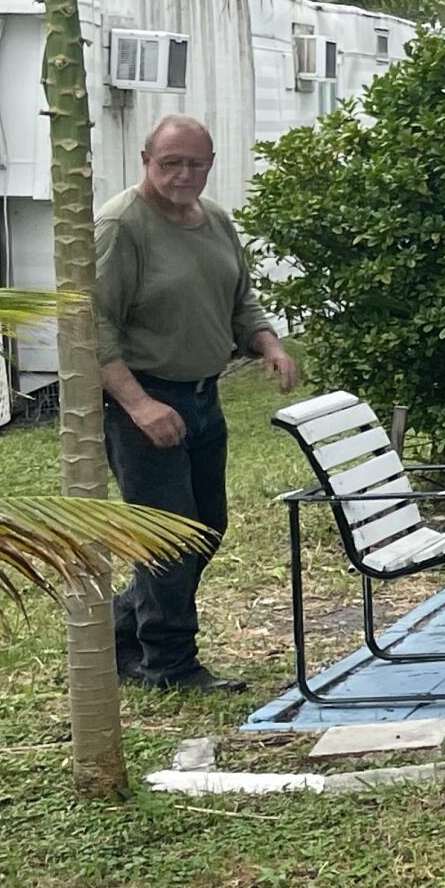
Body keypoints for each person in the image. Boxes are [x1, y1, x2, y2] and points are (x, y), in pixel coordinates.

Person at [95, 115, 299, 691]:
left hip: (204, 399)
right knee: (170, 536)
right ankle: (171, 665)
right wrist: (138, 406)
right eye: (171, 163)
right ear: (145, 159)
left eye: (196, 164)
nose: (184, 175)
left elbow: (240, 300)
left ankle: (119, 634)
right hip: (147, 400)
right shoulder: (119, 226)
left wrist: (270, 344)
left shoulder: (215, 221)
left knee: (206, 529)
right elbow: (92, 326)